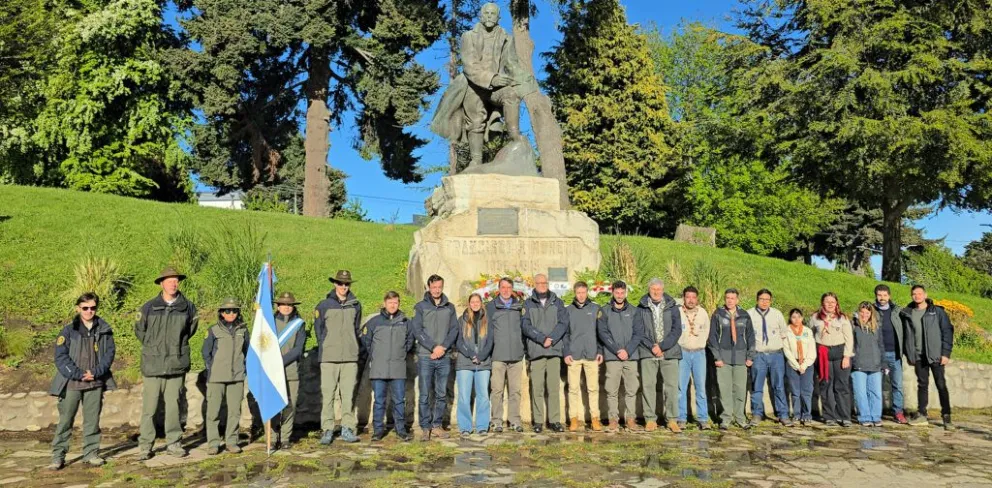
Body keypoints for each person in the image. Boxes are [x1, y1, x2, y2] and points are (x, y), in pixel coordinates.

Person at [136, 266, 199, 459]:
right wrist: (155, 349)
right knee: (150, 408)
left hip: (175, 363)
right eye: (169, 280)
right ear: (161, 283)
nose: (173, 283)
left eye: (176, 280)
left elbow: (190, 331)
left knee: (173, 406)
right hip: (153, 365)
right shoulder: (148, 307)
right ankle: (146, 445)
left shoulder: (187, 307)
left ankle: (174, 443)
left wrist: (175, 348)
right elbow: (140, 331)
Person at [49, 292, 117, 470]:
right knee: (65, 421)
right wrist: (78, 374)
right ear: (78, 308)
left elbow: (109, 354)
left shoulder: (104, 329)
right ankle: (58, 456)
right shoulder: (68, 331)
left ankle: (91, 453)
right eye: (85, 308)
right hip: (71, 382)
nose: (89, 311)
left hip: (95, 382)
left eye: (93, 307)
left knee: (92, 421)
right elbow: (61, 357)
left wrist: (96, 372)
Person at [314, 270, 363, 445]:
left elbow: (356, 329)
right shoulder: (324, 305)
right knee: (328, 396)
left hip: (350, 357)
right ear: (335, 284)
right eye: (341, 283)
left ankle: (347, 428)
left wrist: (355, 347)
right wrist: (326, 345)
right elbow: (318, 330)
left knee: (348, 396)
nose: (344, 286)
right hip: (328, 358)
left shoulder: (355, 304)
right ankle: (327, 429)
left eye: (347, 284)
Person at [411, 274, 459, 440]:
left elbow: (454, 330)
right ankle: (425, 427)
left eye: (439, 287)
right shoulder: (420, 307)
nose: (437, 290)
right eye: (434, 287)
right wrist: (433, 347)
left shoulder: (449, 307)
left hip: (443, 356)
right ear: (428, 287)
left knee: (441, 393)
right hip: (426, 356)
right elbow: (417, 330)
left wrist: (443, 347)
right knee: (425, 393)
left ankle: (437, 425)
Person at [362, 291, 414, 442]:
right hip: (379, 368)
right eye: (390, 302)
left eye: (396, 302)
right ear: (384, 303)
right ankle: (378, 431)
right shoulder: (374, 322)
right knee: (379, 400)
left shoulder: (405, 322)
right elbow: (367, 341)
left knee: (399, 400)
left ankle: (401, 430)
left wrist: (401, 354)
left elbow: (409, 341)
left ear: (399, 304)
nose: (393, 305)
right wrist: (376, 356)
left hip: (398, 368)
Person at [900, 285, 954, 429]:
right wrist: (909, 354)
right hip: (918, 356)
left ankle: (947, 416)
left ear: (925, 295)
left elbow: (947, 331)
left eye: (919, 293)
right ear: (911, 296)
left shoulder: (936, 312)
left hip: (936, 355)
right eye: (914, 294)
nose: (917, 296)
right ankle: (922, 414)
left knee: (941, 384)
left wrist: (945, 353)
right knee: (922, 385)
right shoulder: (907, 313)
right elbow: (906, 336)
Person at [521, 273, 570, 433]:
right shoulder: (528, 304)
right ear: (534, 284)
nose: (542, 285)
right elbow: (526, 325)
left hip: (554, 350)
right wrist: (542, 339)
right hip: (536, 351)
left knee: (554, 387)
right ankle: (538, 421)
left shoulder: (558, 302)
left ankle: (555, 421)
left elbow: (563, 323)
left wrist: (552, 338)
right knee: (537, 388)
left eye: (544, 282)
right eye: (539, 283)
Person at [202, 297, 249, 455]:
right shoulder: (213, 330)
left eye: (234, 310)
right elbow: (206, 352)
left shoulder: (243, 330)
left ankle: (231, 441)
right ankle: (213, 443)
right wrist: (211, 369)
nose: (231, 313)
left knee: (235, 411)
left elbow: (247, 351)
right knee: (213, 412)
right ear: (221, 313)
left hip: (236, 376)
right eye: (227, 311)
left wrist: (243, 368)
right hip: (217, 377)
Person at [636, 278, 683, 433]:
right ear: (649, 289)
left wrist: (662, 346)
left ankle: (672, 419)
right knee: (648, 386)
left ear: (663, 290)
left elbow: (677, 330)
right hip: (648, 351)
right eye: (653, 289)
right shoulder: (641, 307)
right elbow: (639, 331)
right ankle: (650, 419)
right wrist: (652, 347)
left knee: (671, 387)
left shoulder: (673, 307)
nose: (656, 292)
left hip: (669, 351)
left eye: (659, 289)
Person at [597, 281, 644, 433]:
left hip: (630, 356)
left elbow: (638, 333)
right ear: (613, 293)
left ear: (626, 293)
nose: (619, 295)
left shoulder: (634, 311)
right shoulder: (604, 311)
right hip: (613, 356)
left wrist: (627, 350)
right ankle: (613, 420)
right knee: (612, 390)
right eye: (617, 293)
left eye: (622, 293)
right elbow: (603, 333)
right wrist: (617, 350)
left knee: (631, 389)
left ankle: (630, 419)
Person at [708, 288, 755, 429]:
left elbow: (751, 337)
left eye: (732, 298)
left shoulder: (745, 315)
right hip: (723, 358)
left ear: (737, 300)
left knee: (740, 389)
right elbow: (712, 338)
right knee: (724, 389)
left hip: (741, 358)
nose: (730, 300)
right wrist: (717, 357)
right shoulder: (718, 314)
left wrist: (750, 356)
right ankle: (726, 418)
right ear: (725, 299)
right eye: (727, 298)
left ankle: (740, 418)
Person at [487, 277, 527, 433]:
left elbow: (524, 329)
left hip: (516, 356)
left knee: (515, 391)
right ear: (498, 289)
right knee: (497, 391)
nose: (505, 290)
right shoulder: (491, 307)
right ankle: (496, 421)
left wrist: (523, 348)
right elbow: (487, 331)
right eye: (503, 287)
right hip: (498, 355)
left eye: (508, 287)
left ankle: (514, 420)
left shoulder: (519, 306)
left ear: (512, 289)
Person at [746, 289, 790, 427]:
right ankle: (757, 414)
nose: (764, 302)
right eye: (761, 299)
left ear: (770, 301)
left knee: (779, 386)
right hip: (759, 355)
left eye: (767, 299)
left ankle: (783, 414)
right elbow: (746, 336)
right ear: (757, 299)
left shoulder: (777, 314)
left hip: (776, 355)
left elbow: (784, 333)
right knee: (756, 386)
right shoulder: (749, 314)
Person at [564, 281, 604, 432]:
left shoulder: (595, 309)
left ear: (587, 292)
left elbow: (600, 333)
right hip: (574, 355)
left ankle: (595, 419)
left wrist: (599, 351)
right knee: (573, 388)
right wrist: (566, 352)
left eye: (583, 292)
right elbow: (565, 334)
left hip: (591, 354)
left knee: (593, 388)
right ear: (575, 293)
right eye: (578, 292)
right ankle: (573, 419)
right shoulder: (568, 310)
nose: (581, 295)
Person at [810, 292, 854, 427]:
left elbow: (849, 338)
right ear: (822, 303)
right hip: (823, 353)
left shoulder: (842, 318)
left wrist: (847, 356)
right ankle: (829, 416)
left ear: (837, 304)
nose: (830, 304)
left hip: (840, 352)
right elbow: (811, 335)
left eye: (833, 302)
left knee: (841, 385)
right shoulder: (815, 317)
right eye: (827, 301)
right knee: (826, 385)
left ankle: (844, 416)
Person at [455, 293, 495, 437]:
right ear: (469, 303)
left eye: (477, 301)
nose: (475, 304)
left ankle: (482, 426)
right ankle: (465, 427)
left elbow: (490, 340)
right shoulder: (462, 320)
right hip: (465, 362)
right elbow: (458, 341)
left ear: (481, 303)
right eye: (472, 302)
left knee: (483, 395)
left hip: (483, 362)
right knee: (464, 396)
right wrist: (471, 354)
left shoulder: (487, 320)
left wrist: (482, 356)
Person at [273, 292, 307, 449]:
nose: (286, 307)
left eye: (289, 305)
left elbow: (298, 349)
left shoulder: (299, 324)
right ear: (277, 306)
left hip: (291, 370)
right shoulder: (269, 323)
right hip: (272, 372)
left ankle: (285, 437)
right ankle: (273, 437)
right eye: (283, 304)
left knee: (289, 405)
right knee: (273, 405)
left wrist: (280, 362)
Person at [873, 284, 908, 424]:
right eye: (879, 295)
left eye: (885, 295)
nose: (882, 298)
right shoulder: (871, 310)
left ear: (889, 296)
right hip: (877, 355)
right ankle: (875, 412)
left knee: (897, 385)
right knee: (875, 385)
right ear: (876, 295)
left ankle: (898, 412)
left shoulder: (897, 311)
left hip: (895, 354)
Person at [676, 286, 710, 430]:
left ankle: (703, 418)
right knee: (681, 388)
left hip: (699, 353)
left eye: (693, 297)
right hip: (682, 353)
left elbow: (707, 331)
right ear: (684, 298)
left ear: (697, 299)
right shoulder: (677, 312)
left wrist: (699, 344)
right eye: (688, 297)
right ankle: (681, 418)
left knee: (700, 387)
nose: (691, 300)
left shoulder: (702, 313)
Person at [851, 301, 886, 427]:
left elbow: (881, 346)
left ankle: (876, 417)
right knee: (860, 393)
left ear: (871, 313)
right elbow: (851, 345)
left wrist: (884, 363)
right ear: (858, 312)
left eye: (867, 312)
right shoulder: (853, 326)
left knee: (875, 393)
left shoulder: (876, 327)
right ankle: (864, 417)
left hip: (875, 364)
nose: (865, 314)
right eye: (862, 312)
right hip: (859, 364)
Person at [782, 309, 816, 426]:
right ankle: (796, 414)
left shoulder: (807, 331)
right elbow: (786, 350)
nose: (796, 319)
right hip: (792, 364)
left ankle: (807, 414)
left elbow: (812, 350)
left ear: (802, 318)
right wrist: (797, 365)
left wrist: (804, 365)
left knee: (806, 391)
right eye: (793, 317)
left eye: (798, 317)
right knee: (795, 391)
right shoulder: (786, 331)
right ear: (790, 319)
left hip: (807, 364)